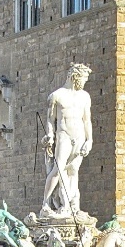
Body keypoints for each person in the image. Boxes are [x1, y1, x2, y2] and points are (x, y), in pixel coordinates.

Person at [40, 63, 93, 217]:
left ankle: (71, 205)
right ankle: (46, 204)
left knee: (73, 170)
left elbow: (87, 120)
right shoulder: (56, 96)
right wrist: (50, 135)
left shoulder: (85, 96)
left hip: (79, 135)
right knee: (58, 169)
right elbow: (50, 120)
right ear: (74, 76)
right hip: (63, 134)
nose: (84, 82)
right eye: (83, 79)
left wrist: (89, 140)